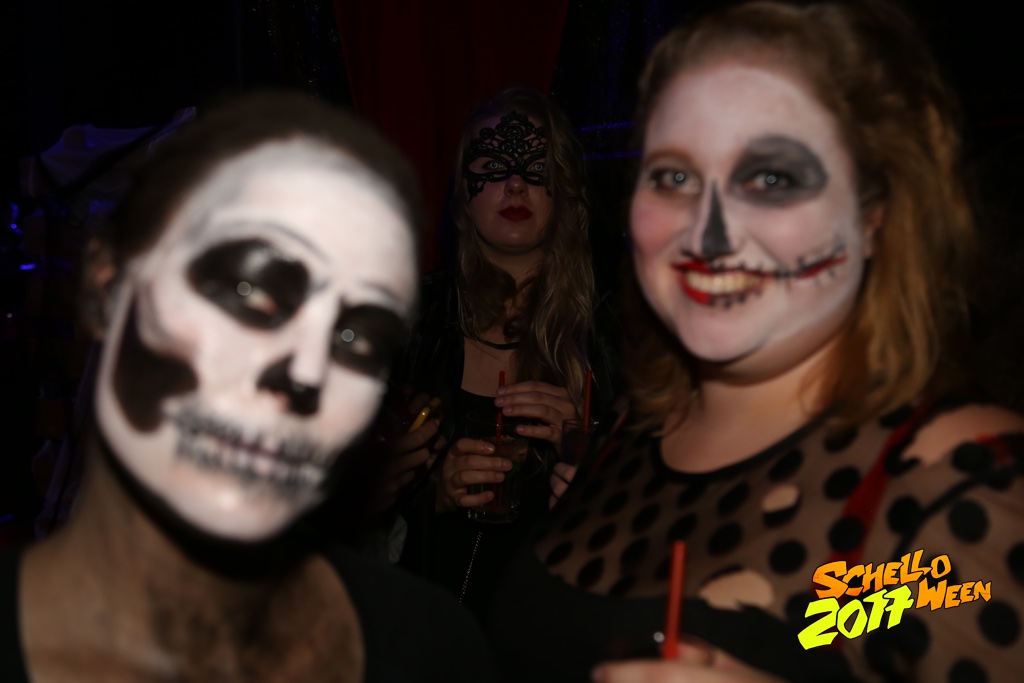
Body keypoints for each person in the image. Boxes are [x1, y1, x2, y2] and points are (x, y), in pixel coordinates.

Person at [485, 2, 1024, 681]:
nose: (707, 233)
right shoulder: (629, 431)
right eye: (674, 177)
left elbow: (903, 604)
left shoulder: (964, 477)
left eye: (772, 178)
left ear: (873, 217)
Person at [0, 91, 496, 682]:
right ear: (111, 290)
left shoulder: (427, 646)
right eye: (245, 292)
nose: (302, 368)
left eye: (350, 332)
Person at [381, 87, 620, 619]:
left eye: (537, 167)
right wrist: (430, 494)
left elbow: (664, 511)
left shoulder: (617, 335)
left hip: (556, 636)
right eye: (492, 165)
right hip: (424, 632)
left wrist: (592, 449)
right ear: (463, 193)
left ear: (566, 191)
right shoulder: (407, 325)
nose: (515, 184)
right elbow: (343, 513)